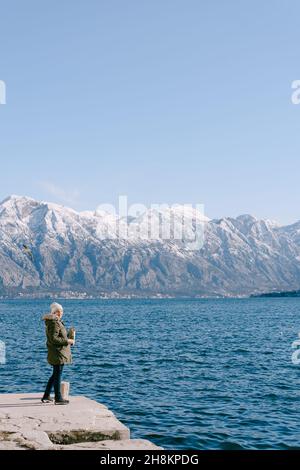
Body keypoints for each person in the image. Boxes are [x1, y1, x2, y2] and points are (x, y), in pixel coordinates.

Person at [41, 302, 75, 405]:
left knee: (55, 374)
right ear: (55, 312)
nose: (61, 313)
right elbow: (53, 339)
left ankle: (46, 395)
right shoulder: (54, 323)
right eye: (59, 311)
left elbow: (58, 336)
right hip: (57, 352)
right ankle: (58, 398)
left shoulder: (56, 322)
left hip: (58, 352)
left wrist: (69, 335)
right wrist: (68, 341)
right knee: (57, 374)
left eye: (62, 311)